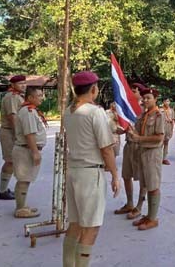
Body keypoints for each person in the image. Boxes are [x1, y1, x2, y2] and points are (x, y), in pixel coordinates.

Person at [62, 71, 120, 267]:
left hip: (73, 171)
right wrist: (115, 175)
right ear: (94, 89)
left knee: (75, 224)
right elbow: (106, 149)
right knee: (91, 228)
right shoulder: (95, 112)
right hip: (90, 173)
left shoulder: (69, 112)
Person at [128, 88, 164, 231]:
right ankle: (148, 216)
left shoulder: (158, 116)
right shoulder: (143, 115)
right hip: (142, 152)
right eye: (144, 98)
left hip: (152, 154)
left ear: (155, 99)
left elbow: (159, 137)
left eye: (149, 97)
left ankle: (153, 219)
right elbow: (137, 131)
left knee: (153, 186)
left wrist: (139, 139)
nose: (145, 100)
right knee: (146, 184)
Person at [12, 86, 47, 218]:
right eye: (39, 96)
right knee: (24, 179)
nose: (42, 98)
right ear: (30, 97)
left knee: (25, 179)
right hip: (26, 150)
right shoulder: (28, 111)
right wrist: (35, 152)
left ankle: (22, 205)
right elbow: (29, 134)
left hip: (27, 149)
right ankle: (20, 209)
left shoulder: (31, 110)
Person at [115, 83, 147, 219]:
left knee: (142, 178)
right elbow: (125, 127)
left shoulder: (145, 109)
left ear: (140, 93)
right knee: (126, 175)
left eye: (134, 91)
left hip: (140, 146)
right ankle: (129, 203)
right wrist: (118, 130)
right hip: (129, 145)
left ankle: (139, 206)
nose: (131, 93)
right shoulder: (127, 108)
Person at [0, 74, 26, 200]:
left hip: (13, 131)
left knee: (12, 161)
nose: (23, 85)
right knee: (10, 161)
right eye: (20, 84)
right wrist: (18, 134)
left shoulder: (18, 96)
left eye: (24, 83)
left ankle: (3, 189)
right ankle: (2, 191)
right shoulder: (12, 97)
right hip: (9, 132)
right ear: (12, 85)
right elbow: (12, 117)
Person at [160, 98, 174, 165]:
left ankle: (164, 158)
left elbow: (172, 120)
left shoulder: (171, 110)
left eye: (168, 101)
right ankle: (158, 157)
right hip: (162, 127)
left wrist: (172, 129)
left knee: (166, 142)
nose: (167, 102)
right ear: (163, 102)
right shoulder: (160, 110)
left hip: (168, 127)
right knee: (160, 143)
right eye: (165, 101)